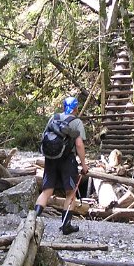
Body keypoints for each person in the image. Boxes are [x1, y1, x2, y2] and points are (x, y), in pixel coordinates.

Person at [33, 96, 88, 234]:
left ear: (64, 107)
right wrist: (84, 165)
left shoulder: (54, 118)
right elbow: (79, 144)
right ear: (76, 108)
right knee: (70, 192)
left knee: (47, 191)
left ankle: (32, 221)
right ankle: (66, 225)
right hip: (67, 160)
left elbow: (44, 137)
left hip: (50, 159)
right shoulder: (76, 122)